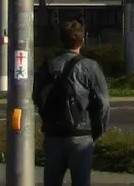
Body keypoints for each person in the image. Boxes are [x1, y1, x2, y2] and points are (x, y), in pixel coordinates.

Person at [32, 18, 111, 186]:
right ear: (82, 40)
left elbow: (36, 97)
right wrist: (98, 130)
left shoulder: (47, 66)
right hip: (81, 135)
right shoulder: (90, 67)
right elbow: (103, 103)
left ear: (61, 40)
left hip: (53, 134)